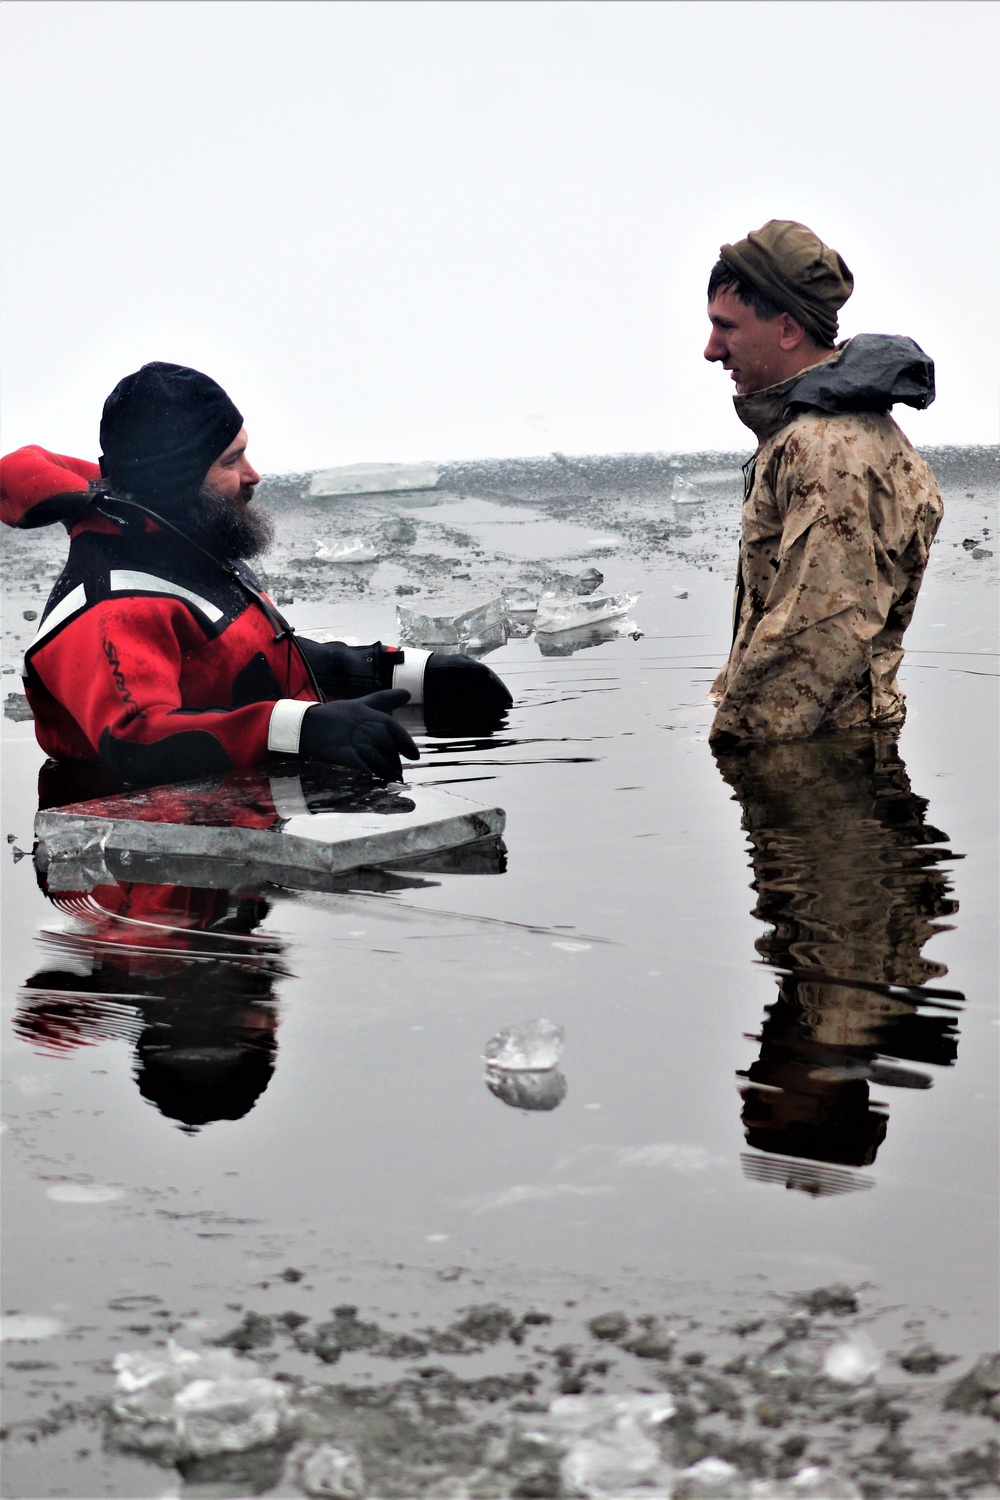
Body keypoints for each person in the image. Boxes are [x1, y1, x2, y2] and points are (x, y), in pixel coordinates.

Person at [1, 363, 512, 786]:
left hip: (231, 847)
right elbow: (136, 740)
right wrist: (304, 729)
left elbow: (262, 664)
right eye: (232, 459)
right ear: (175, 482)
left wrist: (410, 674)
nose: (254, 475)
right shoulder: (111, 608)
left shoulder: (185, 551)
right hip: (148, 875)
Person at [703, 220, 944, 744]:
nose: (711, 349)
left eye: (728, 327)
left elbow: (815, 638)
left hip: (819, 769)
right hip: (824, 745)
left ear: (788, 330)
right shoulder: (810, 434)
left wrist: (734, 746)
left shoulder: (829, 449)